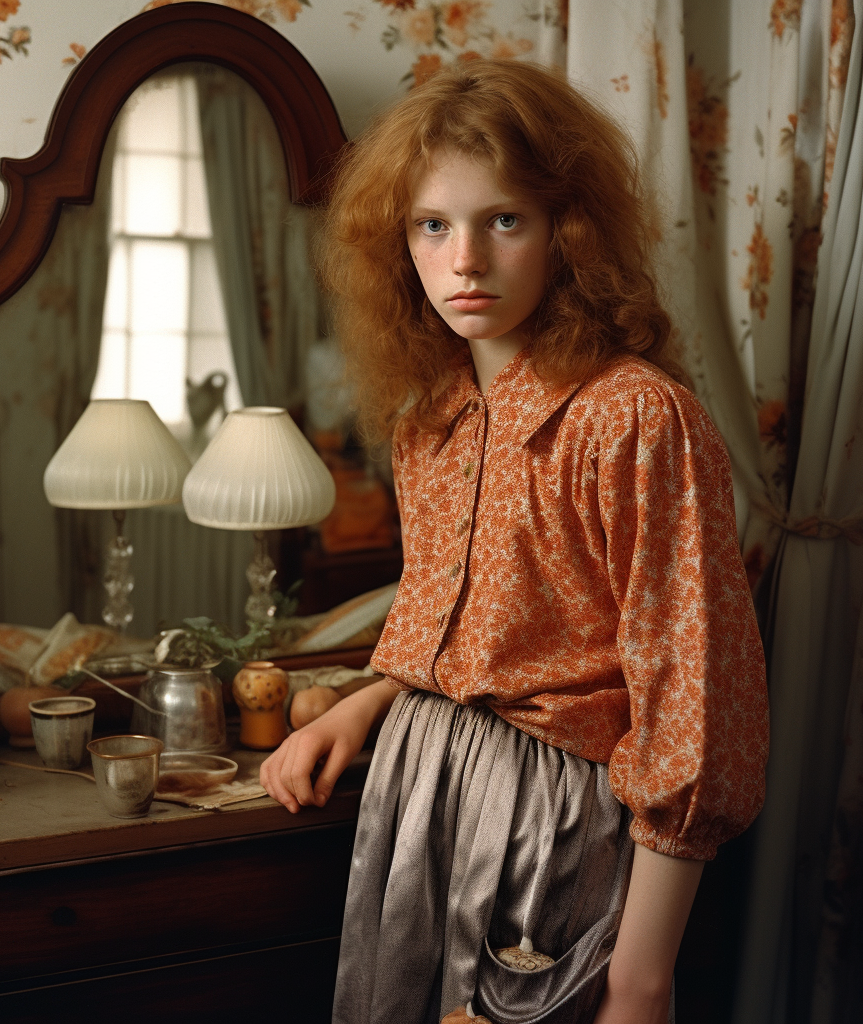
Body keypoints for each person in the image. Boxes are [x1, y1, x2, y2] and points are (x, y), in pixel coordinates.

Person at [260, 58, 769, 1024]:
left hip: (550, 818)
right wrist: (364, 708)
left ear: (565, 232)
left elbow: (694, 708)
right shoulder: (431, 420)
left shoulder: (636, 418)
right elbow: (469, 633)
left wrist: (644, 975)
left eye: (504, 220)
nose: (465, 261)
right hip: (417, 791)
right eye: (432, 225)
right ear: (398, 244)